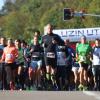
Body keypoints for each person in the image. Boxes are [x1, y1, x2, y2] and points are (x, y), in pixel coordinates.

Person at [42, 24, 64, 90]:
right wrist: (42, 44)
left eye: (51, 28)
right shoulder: (44, 37)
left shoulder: (56, 36)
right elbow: (41, 44)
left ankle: (53, 82)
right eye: (48, 28)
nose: (49, 29)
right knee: (48, 69)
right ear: (46, 29)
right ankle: (49, 83)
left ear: (52, 29)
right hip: (47, 55)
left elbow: (62, 43)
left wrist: (56, 42)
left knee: (54, 71)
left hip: (53, 54)